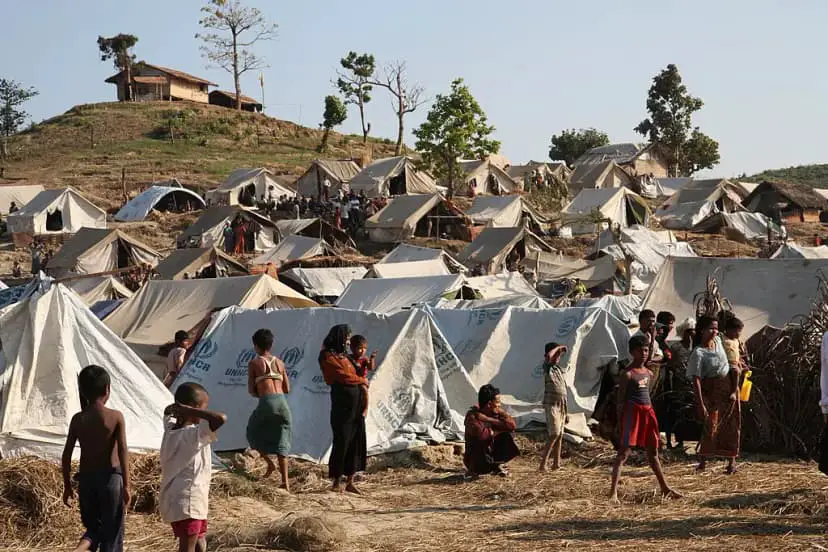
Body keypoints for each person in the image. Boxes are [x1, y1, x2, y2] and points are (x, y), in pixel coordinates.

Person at [62, 365, 130, 552]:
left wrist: (67, 485)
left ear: (82, 391)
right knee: (112, 534)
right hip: (110, 479)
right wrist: (127, 485)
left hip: (86, 480)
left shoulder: (78, 419)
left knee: (93, 529)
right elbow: (123, 450)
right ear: (107, 389)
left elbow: (66, 454)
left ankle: (79, 549)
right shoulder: (115, 417)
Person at [609, 336, 681, 503]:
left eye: (647, 350)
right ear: (632, 352)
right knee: (623, 453)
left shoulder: (648, 373)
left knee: (653, 452)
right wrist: (620, 423)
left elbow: (648, 394)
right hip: (632, 414)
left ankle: (665, 488)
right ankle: (613, 492)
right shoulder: (627, 374)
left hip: (647, 413)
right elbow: (620, 402)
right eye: (640, 350)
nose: (644, 353)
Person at [160, 382, 226, 552]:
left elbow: (168, 410)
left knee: (199, 542)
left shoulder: (170, 428)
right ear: (195, 408)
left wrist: (183, 409)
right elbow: (220, 418)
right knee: (188, 548)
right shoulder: (195, 434)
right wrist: (189, 410)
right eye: (204, 407)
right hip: (190, 501)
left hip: (182, 501)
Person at [688, 315, 740, 474]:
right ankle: (703, 462)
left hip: (729, 387)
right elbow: (696, 379)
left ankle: (731, 463)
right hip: (712, 391)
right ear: (702, 330)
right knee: (711, 425)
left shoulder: (718, 342)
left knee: (732, 423)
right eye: (711, 328)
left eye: (716, 328)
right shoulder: (699, 353)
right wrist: (701, 403)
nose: (714, 331)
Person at [319, 324, 368, 493]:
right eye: (346, 338)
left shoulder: (345, 356)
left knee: (355, 441)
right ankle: (336, 481)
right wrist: (361, 381)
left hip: (356, 405)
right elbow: (342, 376)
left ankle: (350, 481)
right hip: (342, 405)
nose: (348, 342)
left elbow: (359, 371)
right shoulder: (327, 356)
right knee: (342, 440)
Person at [246, 329, 292, 490]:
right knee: (282, 440)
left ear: (255, 345)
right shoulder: (280, 363)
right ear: (271, 344)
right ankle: (285, 482)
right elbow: (287, 388)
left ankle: (270, 464)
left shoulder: (254, 363)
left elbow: (251, 390)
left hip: (266, 402)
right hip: (282, 403)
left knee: (252, 433)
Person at [464, 384, 519, 477]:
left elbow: (512, 426)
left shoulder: (494, 413)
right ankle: (473, 470)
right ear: (489, 404)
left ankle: (496, 465)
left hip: (489, 456)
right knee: (480, 442)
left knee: (509, 435)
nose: (500, 405)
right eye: (498, 402)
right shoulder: (473, 416)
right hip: (478, 461)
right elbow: (482, 435)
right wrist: (495, 431)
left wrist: (490, 419)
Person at [664, 317, 697, 449]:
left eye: (693, 331)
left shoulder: (696, 348)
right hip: (678, 384)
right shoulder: (676, 347)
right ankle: (677, 440)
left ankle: (688, 438)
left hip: (692, 384)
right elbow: (670, 364)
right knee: (676, 411)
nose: (692, 334)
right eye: (689, 331)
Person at [539, 343, 568, 472]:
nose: (557, 357)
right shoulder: (547, 367)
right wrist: (558, 348)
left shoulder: (558, 369)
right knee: (554, 434)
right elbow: (549, 356)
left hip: (561, 404)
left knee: (560, 435)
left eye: (559, 355)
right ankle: (543, 464)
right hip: (551, 404)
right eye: (556, 354)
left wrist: (566, 412)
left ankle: (556, 463)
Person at [348, 335, 377, 417]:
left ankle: (366, 408)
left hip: (361, 380)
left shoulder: (364, 359)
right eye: (360, 348)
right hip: (352, 379)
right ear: (353, 349)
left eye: (365, 348)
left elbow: (371, 367)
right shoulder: (349, 358)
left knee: (364, 390)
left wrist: (372, 358)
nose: (362, 351)